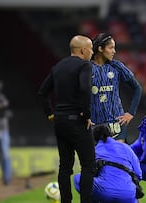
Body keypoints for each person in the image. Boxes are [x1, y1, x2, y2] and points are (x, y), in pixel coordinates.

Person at [37, 35, 95, 203]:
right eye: (90, 48)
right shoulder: (85, 65)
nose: (91, 52)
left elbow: (42, 92)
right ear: (83, 50)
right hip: (76, 119)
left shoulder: (58, 66)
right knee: (88, 165)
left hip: (60, 120)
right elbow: (85, 89)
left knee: (65, 167)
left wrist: (50, 113)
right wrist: (87, 114)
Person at [90, 33, 142, 143]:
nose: (114, 51)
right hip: (95, 124)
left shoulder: (117, 66)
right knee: (97, 159)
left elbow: (137, 88)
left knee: (117, 158)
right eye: (111, 48)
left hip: (116, 123)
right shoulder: (87, 68)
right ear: (100, 48)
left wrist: (131, 113)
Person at [73, 124, 142, 203]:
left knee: (78, 178)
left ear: (94, 139)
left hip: (104, 192)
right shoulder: (126, 147)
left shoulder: (94, 151)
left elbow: (88, 174)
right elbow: (138, 174)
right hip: (127, 194)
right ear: (111, 134)